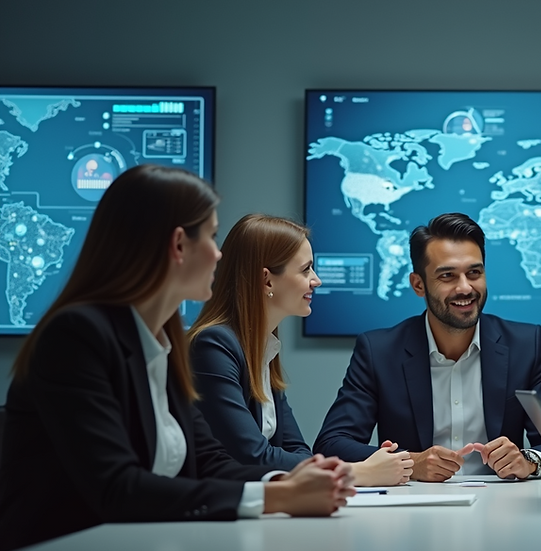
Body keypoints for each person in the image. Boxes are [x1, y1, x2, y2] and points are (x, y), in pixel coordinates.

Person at [0, 166, 355, 551]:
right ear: (179, 244)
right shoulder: (75, 337)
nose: (220, 255)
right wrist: (279, 498)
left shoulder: (161, 339)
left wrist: (289, 482)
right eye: (213, 236)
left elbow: (209, 460)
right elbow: (118, 488)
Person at [314, 213, 541, 481]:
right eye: (447, 276)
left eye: (474, 273)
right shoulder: (379, 351)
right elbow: (331, 444)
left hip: (502, 508)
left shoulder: (525, 345)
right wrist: (410, 462)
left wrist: (528, 461)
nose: (465, 288)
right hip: (412, 509)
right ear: (418, 285)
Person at [188, 214, 412, 485]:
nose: (316, 280)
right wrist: (358, 471)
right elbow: (250, 455)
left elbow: (300, 451)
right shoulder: (212, 346)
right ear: (267, 281)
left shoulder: (263, 349)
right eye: (305, 270)